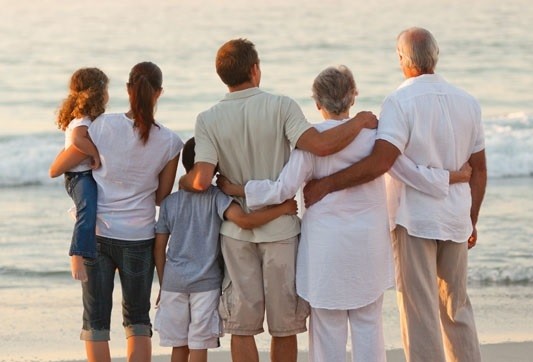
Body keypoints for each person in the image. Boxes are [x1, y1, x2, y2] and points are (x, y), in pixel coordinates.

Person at [217, 65, 469, 362]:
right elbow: (408, 173)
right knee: (369, 330)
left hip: (326, 251)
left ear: (318, 103)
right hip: (368, 248)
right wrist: (452, 177)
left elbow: (281, 189)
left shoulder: (309, 145)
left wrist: (238, 189)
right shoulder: (375, 137)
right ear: (353, 98)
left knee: (327, 335)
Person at [179, 38, 378, 362]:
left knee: (242, 327)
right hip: (282, 232)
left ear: (222, 76)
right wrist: (359, 122)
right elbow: (321, 145)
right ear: (255, 70)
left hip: (236, 235)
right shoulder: (282, 106)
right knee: (284, 326)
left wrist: (183, 180)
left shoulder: (207, 118)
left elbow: (201, 178)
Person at [303, 28, 487, 362]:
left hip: (414, 219)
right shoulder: (468, 102)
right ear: (435, 56)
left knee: (420, 312)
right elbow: (480, 169)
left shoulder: (399, 101)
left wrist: (327, 184)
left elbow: (383, 162)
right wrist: (471, 218)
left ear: (404, 60)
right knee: (456, 308)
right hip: (456, 218)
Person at [51, 61, 183, 362]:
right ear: (159, 92)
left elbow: (61, 166)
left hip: (96, 235)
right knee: (138, 318)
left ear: (127, 89)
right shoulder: (171, 142)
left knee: (95, 320)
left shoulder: (101, 126)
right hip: (139, 237)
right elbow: (162, 197)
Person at [154, 137, 298, 362]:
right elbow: (245, 221)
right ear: (214, 167)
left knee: (179, 347)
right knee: (198, 346)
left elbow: (159, 247)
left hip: (173, 284)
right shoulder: (216, 198)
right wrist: (283, 209)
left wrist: (163, 284)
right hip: (205, 285)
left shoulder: (169, 203)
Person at [48, 67, 108, 282]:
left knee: (91, 210)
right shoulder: (82, 121)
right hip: (79, 177)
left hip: (81, 175)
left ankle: (92, 252)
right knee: (88, 210)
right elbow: (76, 140)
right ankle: (77, 254)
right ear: (97, 93)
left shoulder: (85, 119)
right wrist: (95, 155)